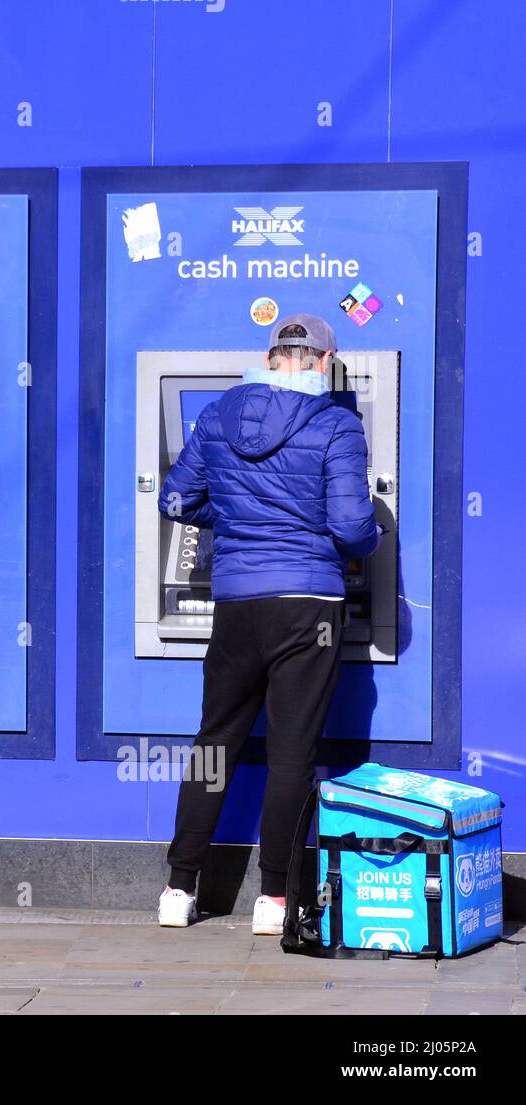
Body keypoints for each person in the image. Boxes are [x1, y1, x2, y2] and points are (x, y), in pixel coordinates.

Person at [155, 314, 381, 934]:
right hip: (309, 607)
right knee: (291, 753)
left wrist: (231, 521)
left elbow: (174, 499)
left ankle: (178, 889)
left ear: (270, 355)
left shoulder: (218, 416)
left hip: (236, 604)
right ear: (325, 360)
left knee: (213, 743)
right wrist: (377, 530)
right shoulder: (338, 424)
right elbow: (352, 530)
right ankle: (275, 900)